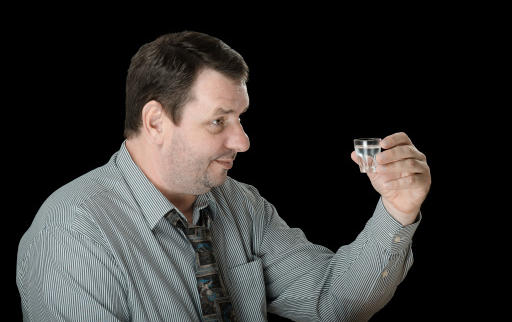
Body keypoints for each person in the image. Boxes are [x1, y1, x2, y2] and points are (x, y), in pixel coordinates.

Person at [16, 30, 431, 321]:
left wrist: (397, 210)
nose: (243, 141)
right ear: (156, 122)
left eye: (240, 118)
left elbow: (334, 304)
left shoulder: (240, 204)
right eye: (218, 122)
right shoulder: (72, 235)